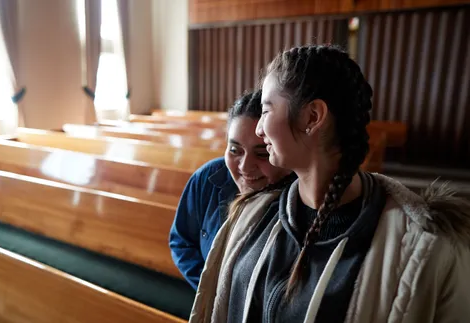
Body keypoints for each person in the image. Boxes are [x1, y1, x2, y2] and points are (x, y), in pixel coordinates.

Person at [190, 45, 470, 323]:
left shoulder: (424, 249)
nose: (260, 129)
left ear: (312, 117)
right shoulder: (252, 214)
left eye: (266, 111)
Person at [169, 90, 293, 290]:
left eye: (261, 154)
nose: (245, 167)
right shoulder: (207, 178)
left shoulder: (298, 200)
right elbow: (182, 240)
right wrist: (210, 289)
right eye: (235, 150)